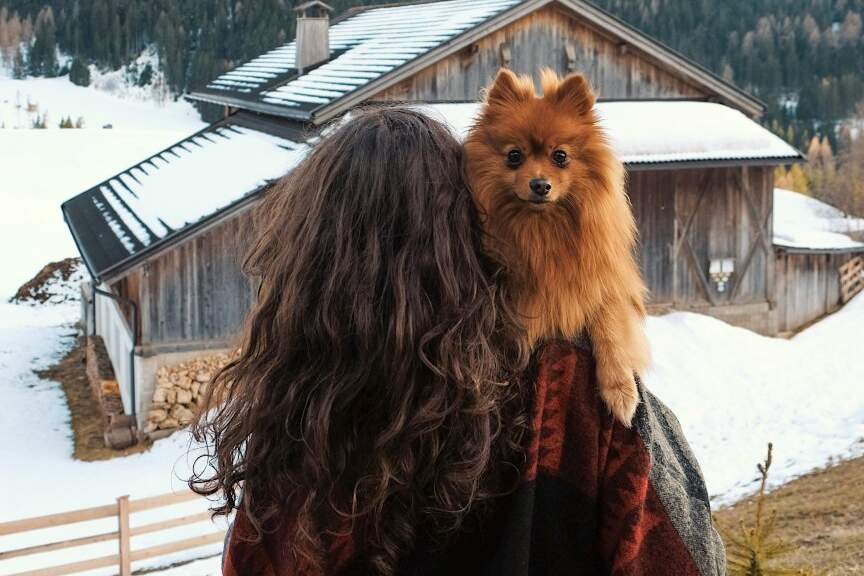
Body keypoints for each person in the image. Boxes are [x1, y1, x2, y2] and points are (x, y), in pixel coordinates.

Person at [190, 107, 726, 575]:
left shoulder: (301, 434)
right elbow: (684, 555)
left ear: (306, 272)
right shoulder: (572, 386)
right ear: (466, 230)